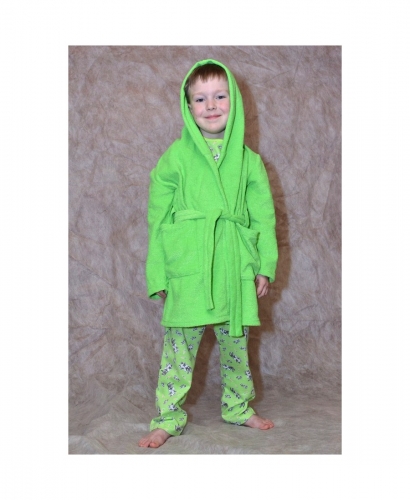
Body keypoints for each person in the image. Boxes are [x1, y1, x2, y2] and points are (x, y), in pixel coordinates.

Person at [138, 59, 278, 448]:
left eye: (220, 96)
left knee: (237, 347)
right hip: (190, 264)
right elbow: (157, 218)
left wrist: (264, 265)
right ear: (187, 106)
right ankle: (167, 416)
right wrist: (159, 272)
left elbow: (264, 217)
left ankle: (238, 406)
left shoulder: (249, 161)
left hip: (233, 264)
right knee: (178, 348)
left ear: (235, 102)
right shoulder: (175, 158)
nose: (211, 105)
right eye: (200, 98)